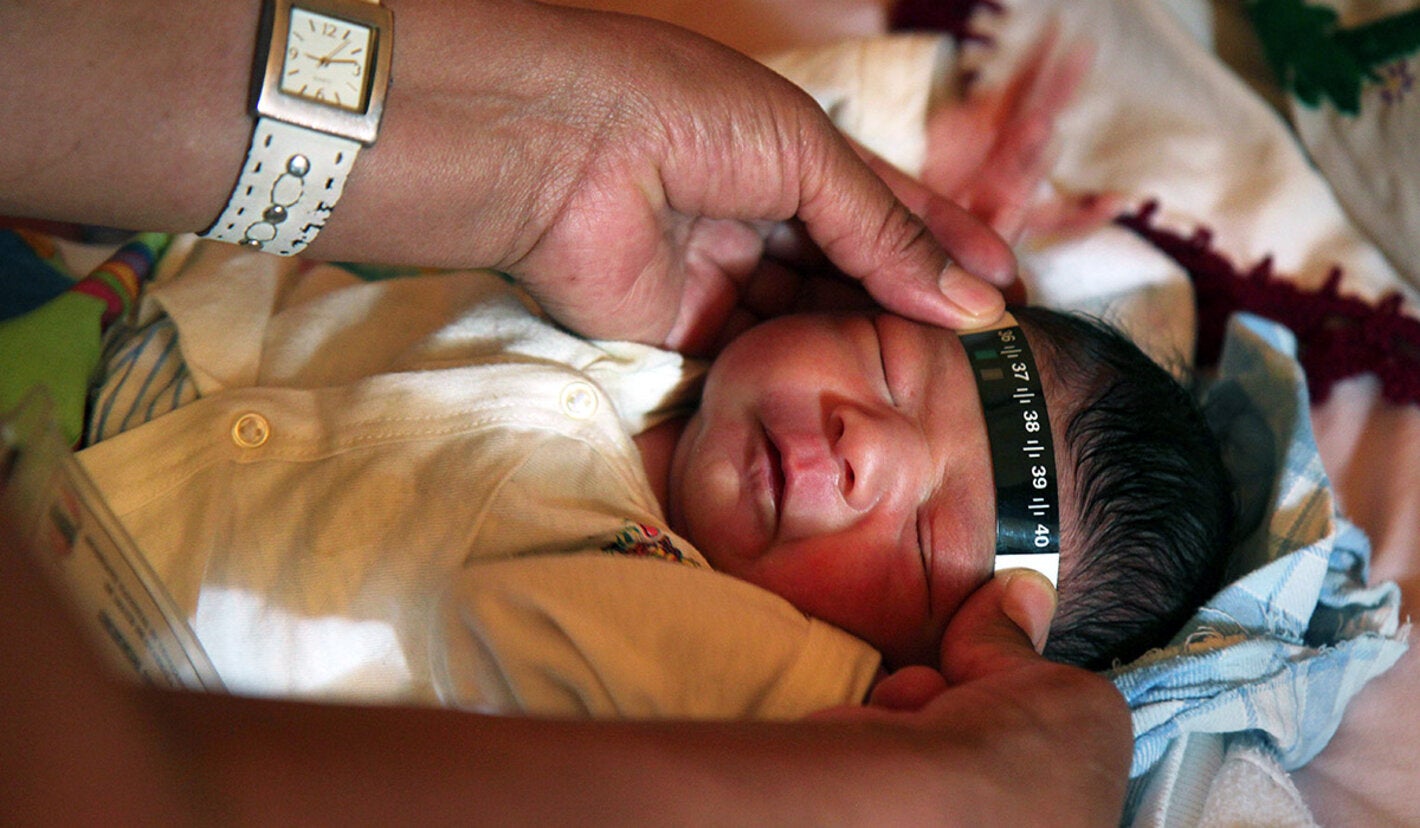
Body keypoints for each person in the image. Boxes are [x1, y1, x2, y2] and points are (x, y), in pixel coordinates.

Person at [1, 0, 1132, 821]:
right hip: (126, 323)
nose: (861, 442)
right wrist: (917, 147)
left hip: (103, 662)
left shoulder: (744, 664)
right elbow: (798, 151)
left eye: (928, 545)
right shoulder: (664, 323)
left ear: (925, 672)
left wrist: (911, 759)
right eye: (888, 363)